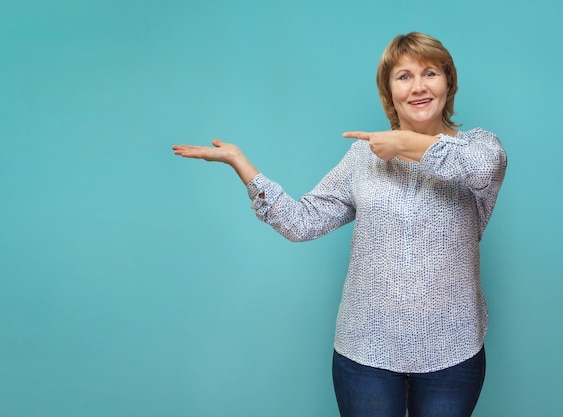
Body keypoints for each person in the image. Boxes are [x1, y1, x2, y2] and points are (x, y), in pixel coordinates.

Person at [173, 32, 507, 417]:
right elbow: (301, 222)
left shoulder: (481, 147)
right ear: (389, 91)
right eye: (403, 76)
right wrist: (241, 164)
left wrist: (400, 143)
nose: (418, 86)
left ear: (448, 83)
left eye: (430, 73)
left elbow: (481, 168)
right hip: (365, 348)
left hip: (453, 348)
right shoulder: (361, 158)